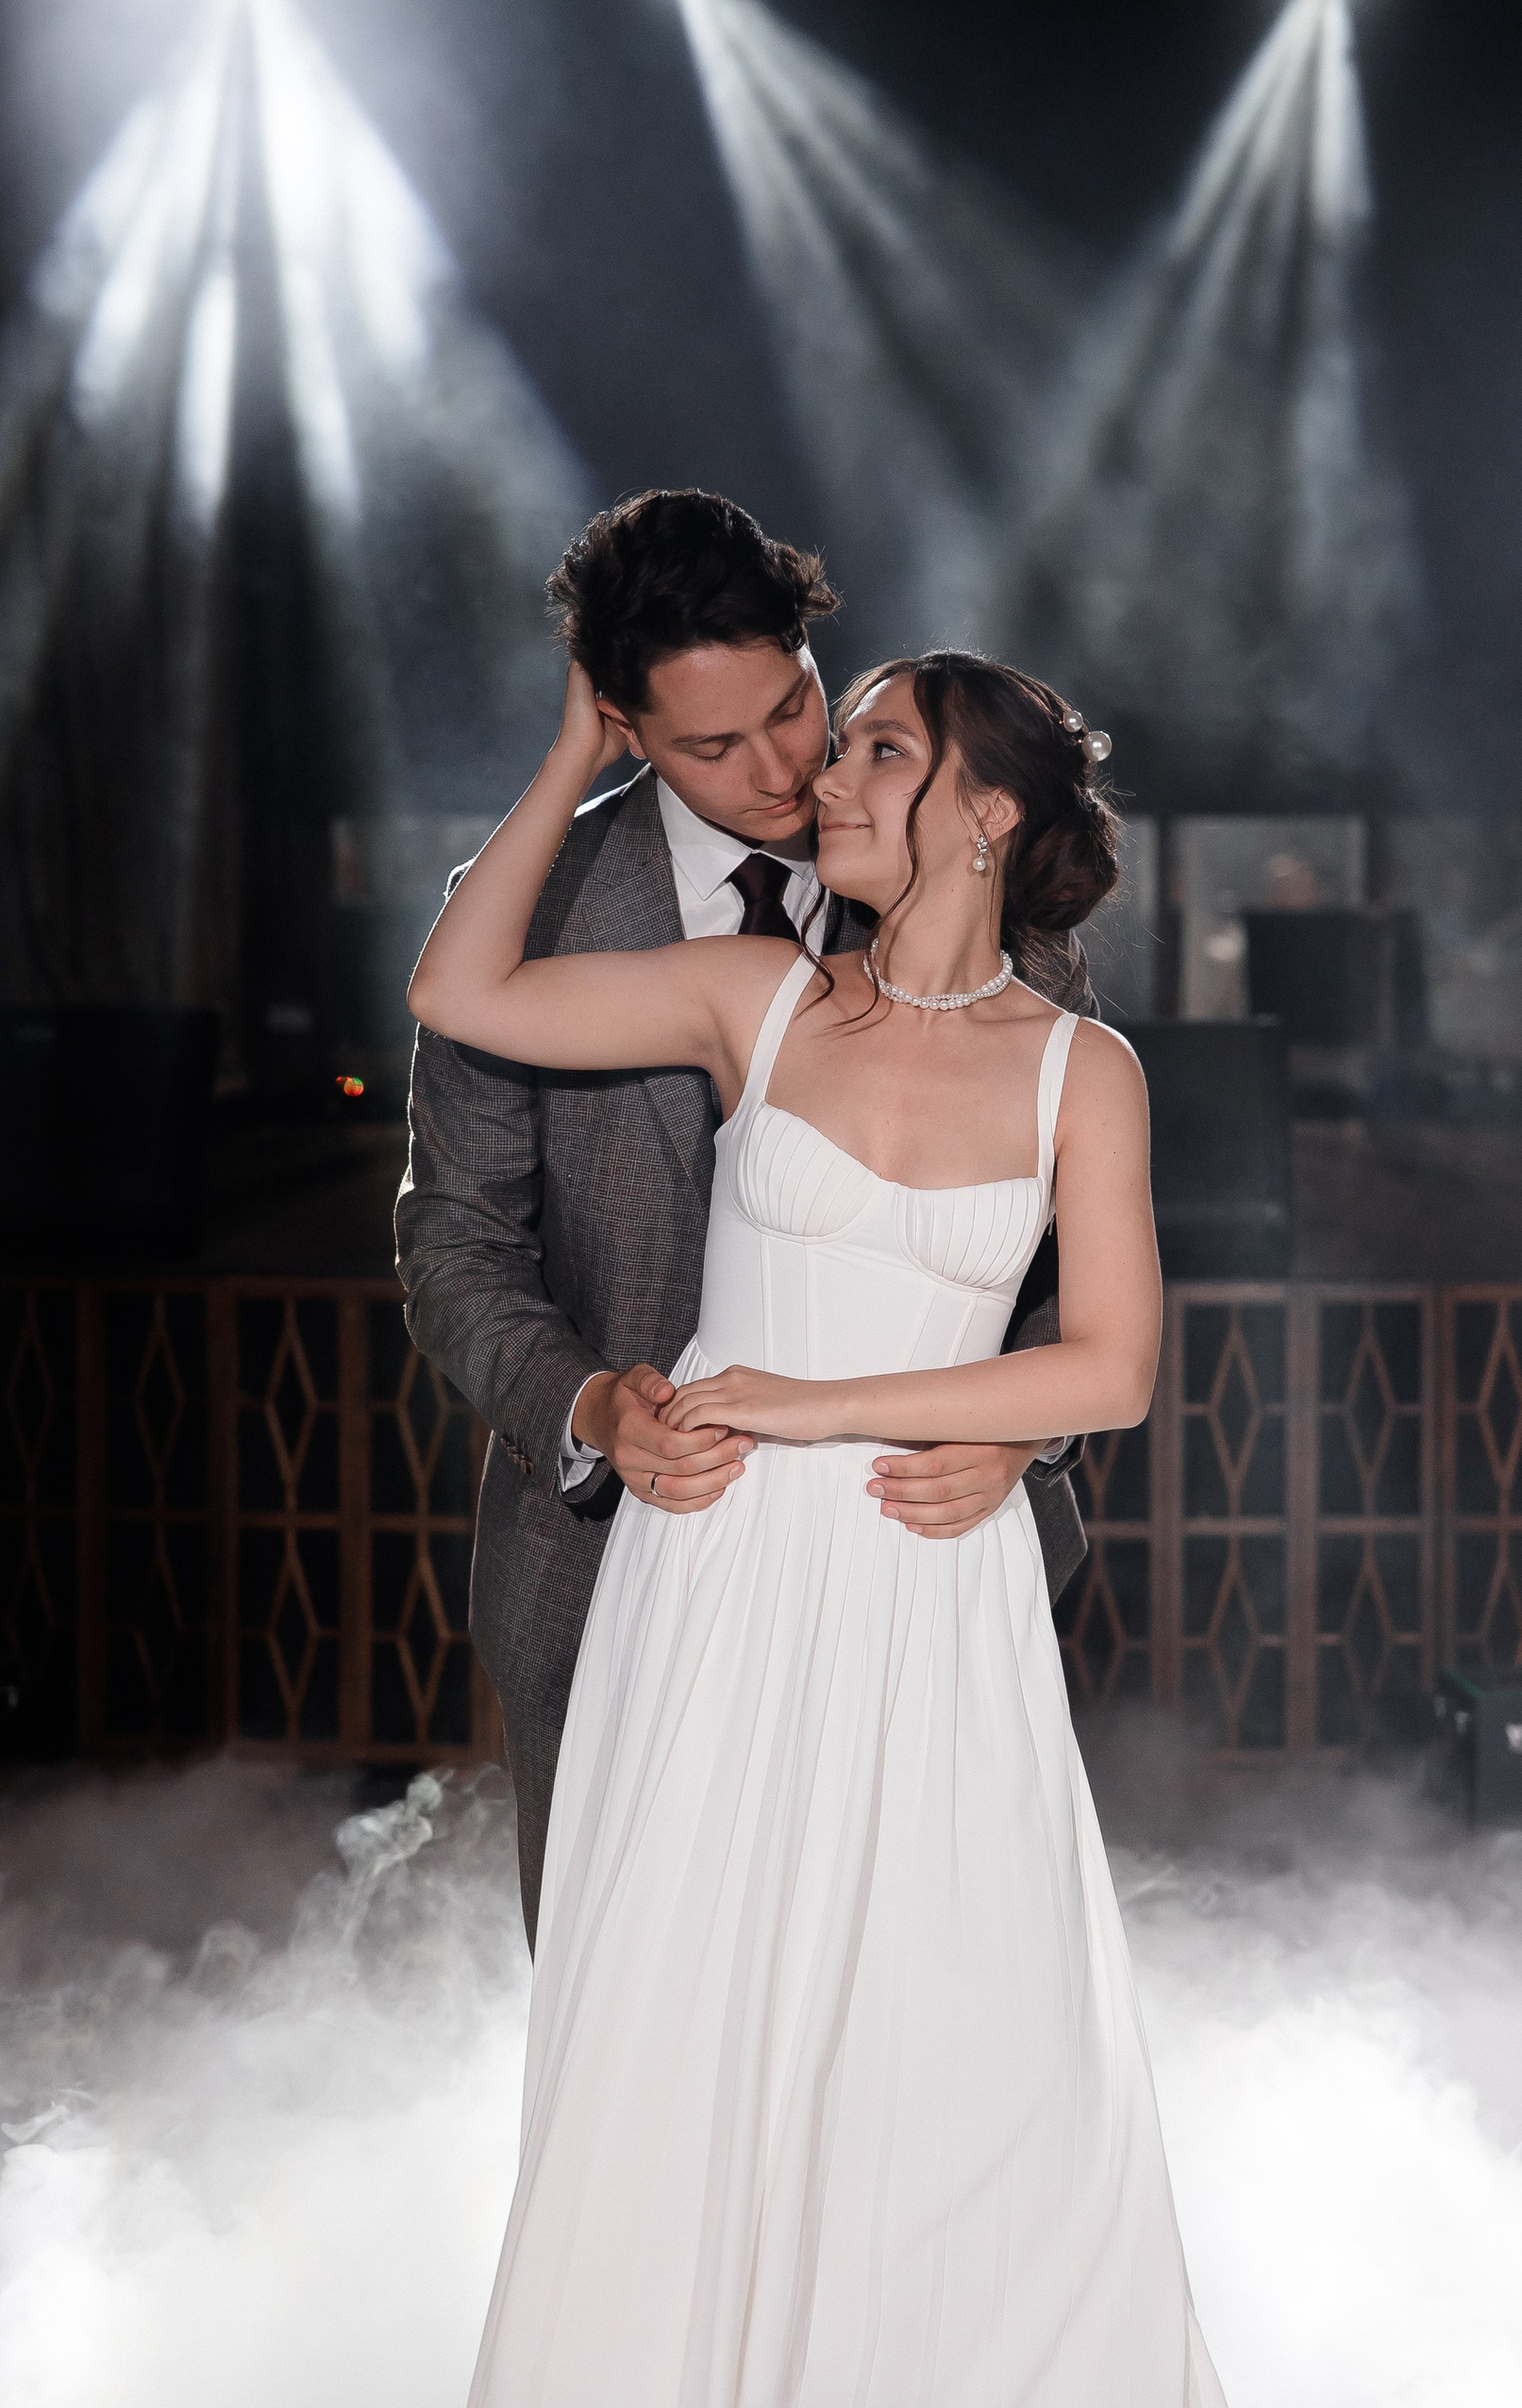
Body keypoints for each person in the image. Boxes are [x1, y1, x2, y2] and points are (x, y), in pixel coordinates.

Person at [409, 643, 1224, 2405]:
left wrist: (830, 1403)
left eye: (876, 751)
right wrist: (571, 756)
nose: (823, 780)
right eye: (836, 745)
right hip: (711, 1569)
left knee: (951, 2034)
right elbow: (461, 989)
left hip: (927, 1579)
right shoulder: (753, 999)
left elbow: (1112, 1368)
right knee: (677, 2022)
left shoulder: (1083, 1071)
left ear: (985, 812)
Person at [394, 491, 1090, 1944]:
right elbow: (454, 1243)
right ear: (626, 727)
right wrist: (590, 1404)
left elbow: (1060, 1259)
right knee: (637, 2017)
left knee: (920, 2003)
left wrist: (1021, 1432)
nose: (782, 772)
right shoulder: (526, 910)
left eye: (793, 708)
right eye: (715, 746)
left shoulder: (957, 863)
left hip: (924, 1557)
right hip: (618, 1557)